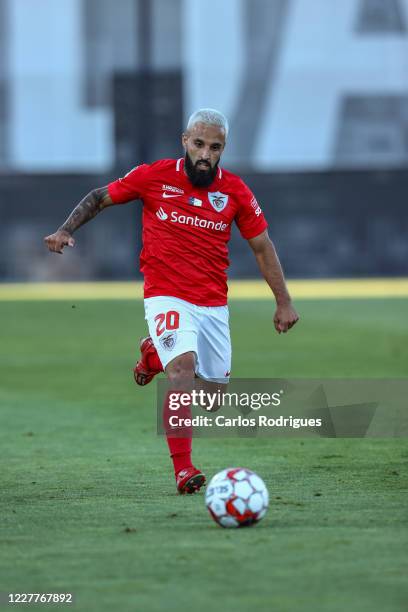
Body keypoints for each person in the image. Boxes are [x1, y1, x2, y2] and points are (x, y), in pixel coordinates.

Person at [44, 108, 299, 495]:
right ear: (185, 141)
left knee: (213, 400)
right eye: (198, 144)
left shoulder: (235, 191)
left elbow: (262, 247)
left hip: (212, 303)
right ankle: (184, 469)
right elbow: (100, 197)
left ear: (222, 149)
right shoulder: (154, 176)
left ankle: (151, 355)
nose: (205, 154)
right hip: (165, 293)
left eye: (214, 147)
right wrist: (64, 230)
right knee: (182, 369)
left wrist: (283, 302)